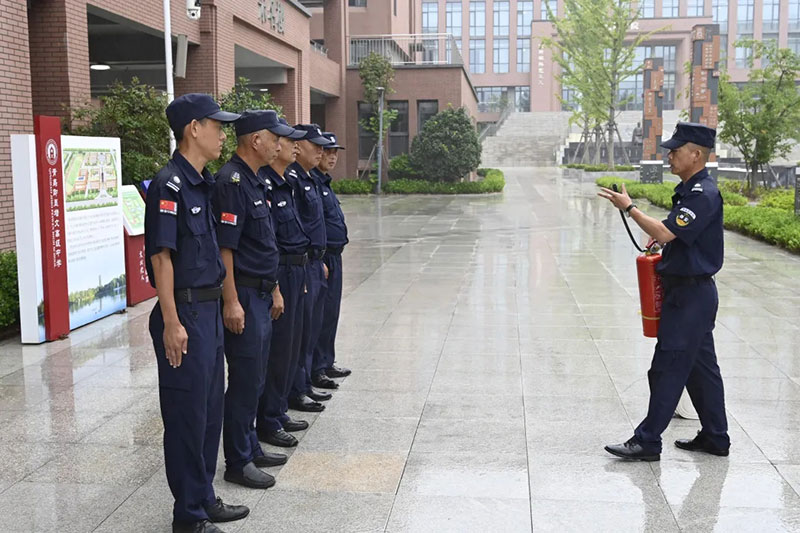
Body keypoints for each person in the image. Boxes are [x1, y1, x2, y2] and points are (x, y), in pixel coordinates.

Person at [144, 93, 248, 533]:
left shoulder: (203, 185)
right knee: (188, 418)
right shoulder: (169, 185)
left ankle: (204, 498)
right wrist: (171, 322)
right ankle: (188, 516)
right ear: (193, 129)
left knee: (209, 413)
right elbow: (161, 258)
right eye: (217, 125)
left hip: (207, 312)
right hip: (184, 313)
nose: (223, 134)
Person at [598, 122, 730, 462]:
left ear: (696, 154)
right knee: (701, 370)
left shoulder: (704, 194)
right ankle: (715, 437)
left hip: (691, 297)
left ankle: (647, 440)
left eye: (676, 150)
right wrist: (659, 237)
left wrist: (630, 208)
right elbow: (676, 237)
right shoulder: (689, 190)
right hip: (689, 294)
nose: (669, 155)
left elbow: (668, 232)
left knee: (667, 367)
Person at [211, 110, 296, 489]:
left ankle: (250, 446)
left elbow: (265, 245)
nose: (279, 144)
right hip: (243, 292)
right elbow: (226, 250)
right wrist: (231, 301)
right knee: (245, 379)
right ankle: (238, 461)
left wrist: (275, 287)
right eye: (273, 137)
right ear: (254, 140)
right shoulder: (231, 182)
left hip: (262, 290)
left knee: (257, 376)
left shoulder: (255, 180)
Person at [255, 119, 313, 448]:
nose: (288, 145)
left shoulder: (285, 182)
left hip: (296, 270)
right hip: (277, 275)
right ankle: (268, 419)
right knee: (277, 352)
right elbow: (269, 243)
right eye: (284, 140)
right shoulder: (263, 183)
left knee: (290, 347)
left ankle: (277, 411)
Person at [287, 124, 338, 411]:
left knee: (313, 327)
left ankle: (305, 382)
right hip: (302, 265)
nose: (320, 151)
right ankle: (298, 387)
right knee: (301, 332)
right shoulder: (293, 179)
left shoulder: (308, 179)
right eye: (315, 145)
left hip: (316, 263)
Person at [310, 132, 351, 381]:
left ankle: (326, 360)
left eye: (335, 152)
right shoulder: (311, 182)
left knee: (331, 312)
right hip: (323, 258)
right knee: (321, 314)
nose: (332, 156)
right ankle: (316, 367)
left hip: (335, 256)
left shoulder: (324, 182)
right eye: (328, 151)